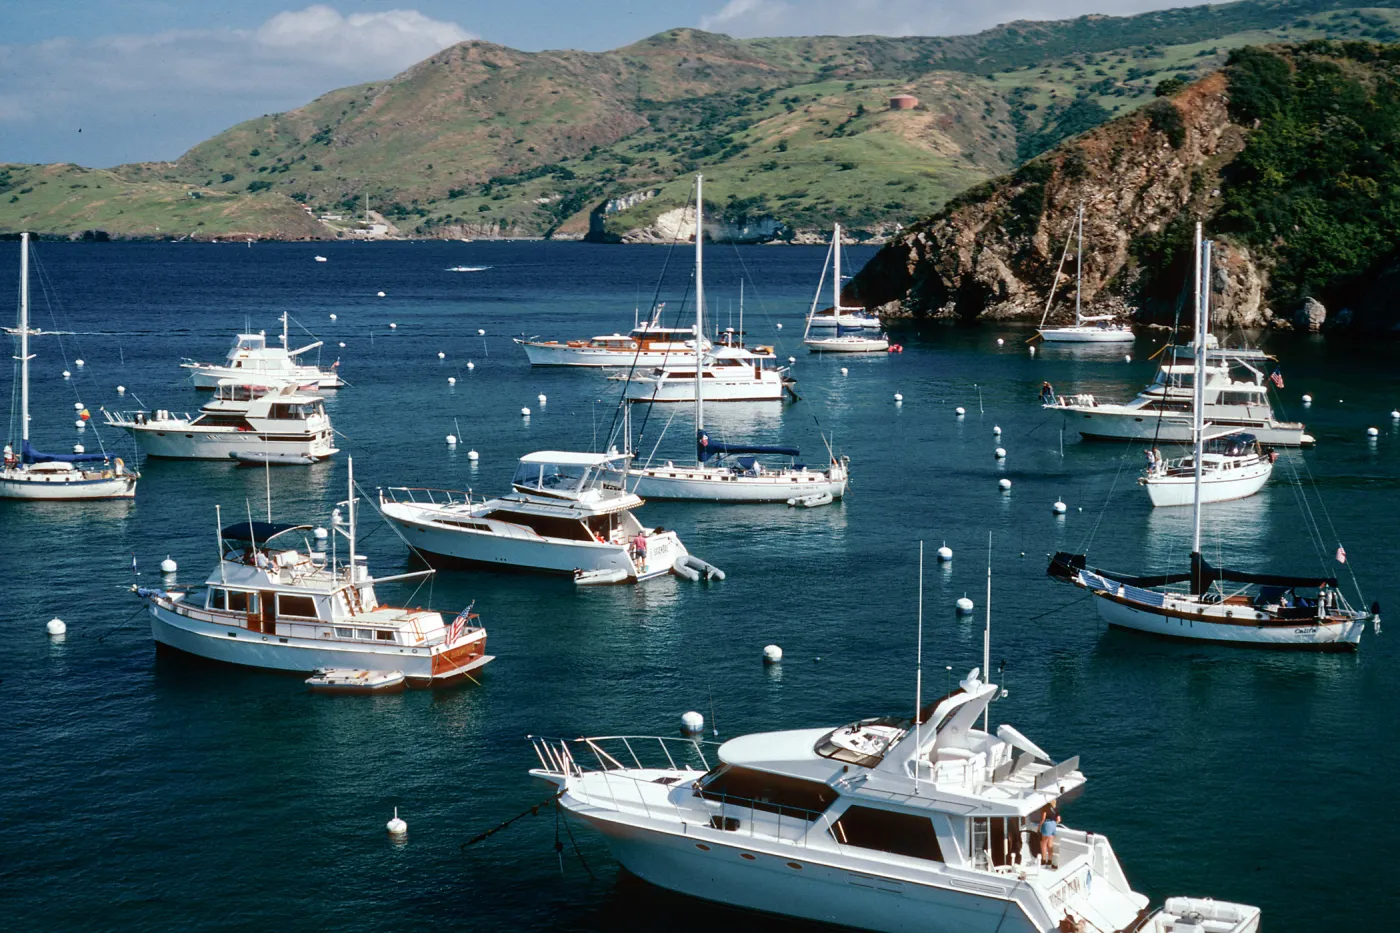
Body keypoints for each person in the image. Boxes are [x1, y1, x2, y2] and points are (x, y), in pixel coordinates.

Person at [1039, 800, 1059, 867]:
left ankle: (1044, 860)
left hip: (1047, 824)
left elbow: (1043, 818)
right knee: (1050, 844)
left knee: (1043, 844)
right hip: (1053, 825)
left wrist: (1039, 827)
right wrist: (1053, 824)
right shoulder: (1055, 808)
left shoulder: (1045, 807)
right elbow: (1059, 820)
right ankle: (1050, 860)